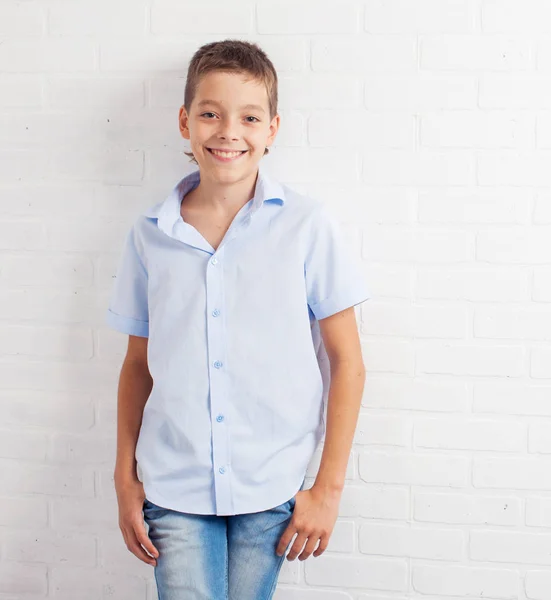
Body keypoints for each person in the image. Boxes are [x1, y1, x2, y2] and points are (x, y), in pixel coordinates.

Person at [106, 39, 371, 600]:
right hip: (173, 487)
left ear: (272, 129)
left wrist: (328, 488)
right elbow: (137, 365)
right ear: (185, 121)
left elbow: (347, 361)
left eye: (249, 117)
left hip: (271, 485)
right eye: (210, 113)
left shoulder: (307, 227)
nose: (229, 131)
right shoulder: (149, 235)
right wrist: (124, 478)